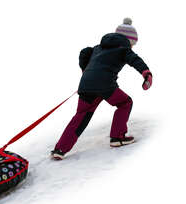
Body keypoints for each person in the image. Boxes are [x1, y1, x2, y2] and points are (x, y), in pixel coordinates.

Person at [51, 18, 153, 160]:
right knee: (125, 103)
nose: (133, 47)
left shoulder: (98, 47)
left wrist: (86, 71)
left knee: (81, 115)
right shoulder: (124, 49)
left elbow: (84, 52)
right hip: (105, 85)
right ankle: (118, 137)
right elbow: (135, 60)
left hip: (86, 84)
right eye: (133, 44)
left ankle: (60, 149)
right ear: (129, 41)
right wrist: (146, 74)